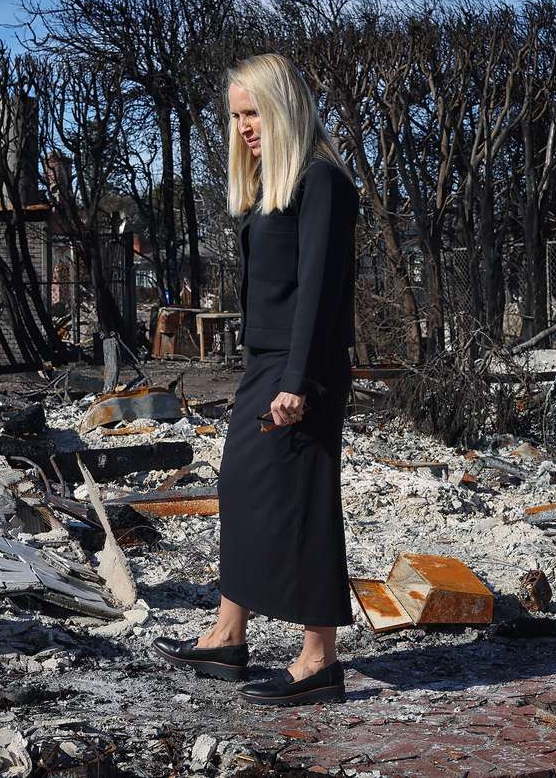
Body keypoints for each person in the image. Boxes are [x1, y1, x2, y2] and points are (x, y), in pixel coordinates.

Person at [152, 53, 359, 707]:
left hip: (303, 369)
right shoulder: (275, 183)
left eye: (253, 112)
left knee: (307, 501)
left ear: (283, 109)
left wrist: (296, 379)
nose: (243, 126)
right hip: (266, 364)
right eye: (236, 115)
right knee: (241, 485)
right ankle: (227, 632)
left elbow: (319, 292)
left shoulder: (322, 181)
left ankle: (319, 656)